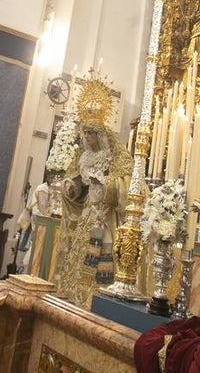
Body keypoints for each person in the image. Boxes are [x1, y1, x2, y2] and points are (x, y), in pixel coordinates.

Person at [56, 108, 131, 308]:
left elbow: (126, 182)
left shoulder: (113, 154)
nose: (87, 136)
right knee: (80, 251)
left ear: (100, 135)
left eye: (91, 132)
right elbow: (78, 181)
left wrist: (106, 184)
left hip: (104, 214)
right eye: (85, 132)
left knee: (102, 253)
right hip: (89, 210)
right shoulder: (84, 156)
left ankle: (97, 296)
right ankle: (75, 292)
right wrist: (71, 187)